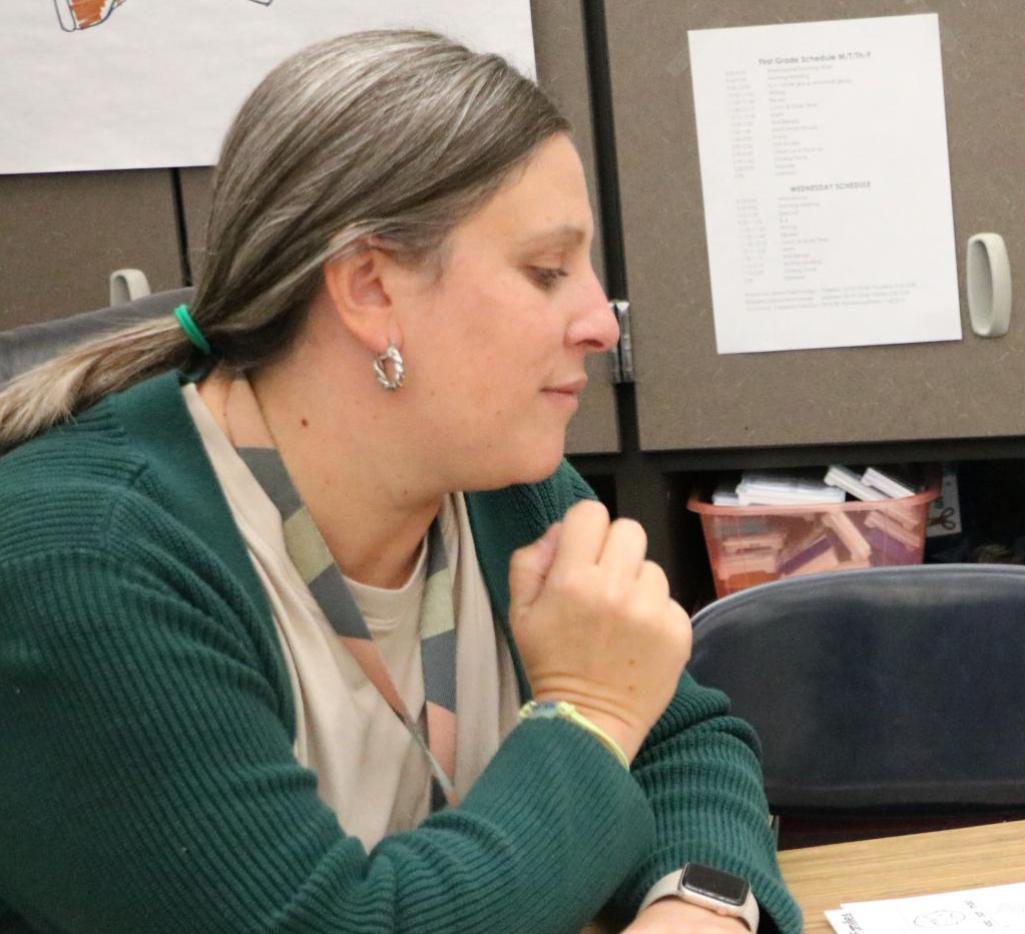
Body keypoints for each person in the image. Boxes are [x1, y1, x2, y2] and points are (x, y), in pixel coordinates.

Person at [0, 30, 799, 934]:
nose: (598, 320)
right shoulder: (81, 564)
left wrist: (698, 908)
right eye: (545, 271)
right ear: (369, 288)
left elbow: (681, 741)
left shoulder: (499, 482)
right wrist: (589, 717)